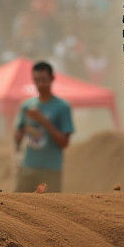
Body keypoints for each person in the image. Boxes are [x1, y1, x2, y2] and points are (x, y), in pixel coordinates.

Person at [14, 61, 74, 193]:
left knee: (50, 205)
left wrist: (43, 121)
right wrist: (17, 152)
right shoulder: (26, 106)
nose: (40, 84)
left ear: (52, 79)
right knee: (17, 203)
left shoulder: (62, 107)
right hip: (27, 167)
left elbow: (64, 142)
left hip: (51, 170)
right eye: (36, 80)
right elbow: (19, 133)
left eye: (43, 80)